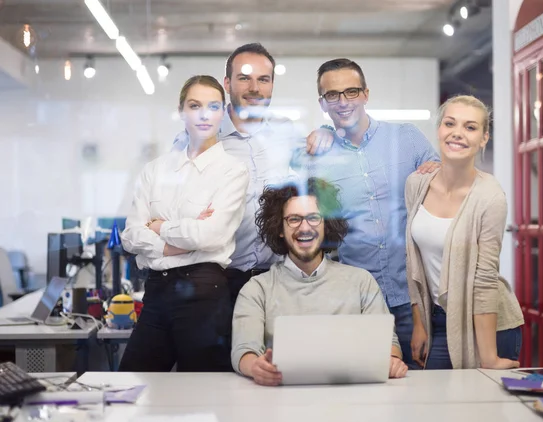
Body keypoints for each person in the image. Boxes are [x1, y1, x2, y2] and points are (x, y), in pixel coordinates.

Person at [293, 58, 439, 369]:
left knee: (422, 392)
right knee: (364, 396)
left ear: (366, 94)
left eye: (351, 91)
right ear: (322, 102)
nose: (343, 102)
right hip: (357, 301)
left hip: (415, 297)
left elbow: (446, 189)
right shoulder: (316, 158)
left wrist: (439, 169)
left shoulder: (408, 139)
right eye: (332, 95)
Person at [171, 43, 330, 311]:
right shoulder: (197, 140)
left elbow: (313, 185)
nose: (254, 88)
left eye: (263, 79)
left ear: (271, 85)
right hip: (217, 280)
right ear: (227, 83)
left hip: (277, 279)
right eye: (244, 78)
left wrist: (327, 132)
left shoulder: (287, 132)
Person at [119, 75, 249, 372]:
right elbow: (130, 236)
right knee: (132, 384)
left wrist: (158, 227)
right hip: (156, 292)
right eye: (195, 105)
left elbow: (210, 236)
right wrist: (176, 244)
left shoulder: (232, 171)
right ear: (181, 112)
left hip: (204, 292)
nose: (204, 114)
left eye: (213, 106)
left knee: (205, 398)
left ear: (223, 113)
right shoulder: (155, 170)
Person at [231, 177, 407, 386]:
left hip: (352, 402)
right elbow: (244, 351)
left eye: (314, 218)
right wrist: (256, 367)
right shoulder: (256, 289)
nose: (305, 228)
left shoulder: (361, 281)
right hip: (280, 400)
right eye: (294, 219)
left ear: (326, 224)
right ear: (279, 227)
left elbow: (389, 345)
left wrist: (393, 361)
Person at [406, 95, 524, 370]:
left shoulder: (490, 197)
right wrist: (419, 323)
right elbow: (413, 261)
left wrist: (489, 358)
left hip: (487, 327)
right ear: (439, 130)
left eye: (470, 127)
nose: (457, 133)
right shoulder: (416, 184)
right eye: (450, 123)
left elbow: (484, 281)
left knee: (479, 410)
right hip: (436, 320)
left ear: (484, 138)